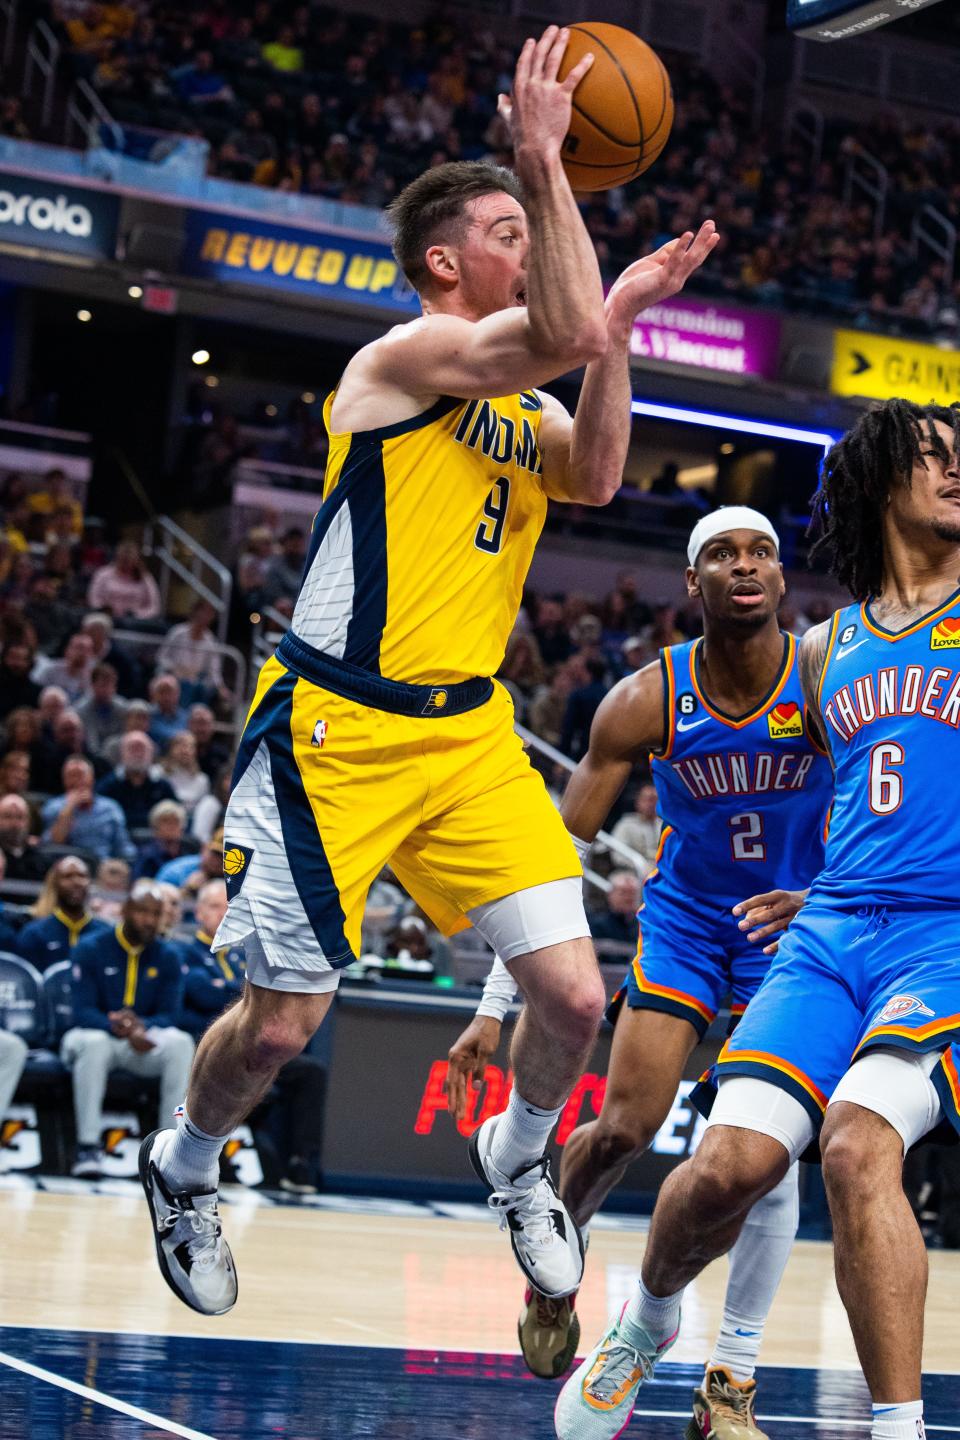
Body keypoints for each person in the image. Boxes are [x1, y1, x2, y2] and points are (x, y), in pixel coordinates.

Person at [138, 25, 719, 1321]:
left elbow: (600, 473)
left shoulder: (528, 394)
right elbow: (555, 326)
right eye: (509, 225)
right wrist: (548, 164)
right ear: (445, 261)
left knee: (574, 993)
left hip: (466, 736)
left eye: (532, 219)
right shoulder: (397, 364)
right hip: (335, 731)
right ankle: (182, 1163)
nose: (530, 233)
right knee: (281, 1028)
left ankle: (518, 1157)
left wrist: (616, 331)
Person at [554, 402, 960, 1440]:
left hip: (940, 937)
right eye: (937, 457)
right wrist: (808, 878)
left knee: (858, 1148)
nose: (959, 470)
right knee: (730, 1166)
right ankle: (646, 1325)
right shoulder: (833, 650)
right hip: (827, 933)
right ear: (879, 485)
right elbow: (852, 793)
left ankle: (895, 1428)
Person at [452, 509, 832, 1438]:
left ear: (783, 582)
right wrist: (494, 1007)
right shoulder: (644, 700)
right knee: (623, 1129)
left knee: (765, 1165)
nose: (744, 568)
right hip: (690, 926)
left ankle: (729, 1379)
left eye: (761, 555)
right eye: (720, 556)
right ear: (690, 585)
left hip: (793, 930)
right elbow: (541, 862)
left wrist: (827, 896)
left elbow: (896, 804)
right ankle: (555, 1271)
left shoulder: (829, 676)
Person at [177, 879, 326, 1194]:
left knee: (310, 1070)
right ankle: (205, 1155)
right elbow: (201, 997)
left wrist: (232, 995)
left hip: (258, 1040)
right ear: (199, 913)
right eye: (216, 906)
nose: (224, 913)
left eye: (228, 906)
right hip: (207, 1046)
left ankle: (300, 1163)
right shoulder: (184, 952)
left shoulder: (244, 953)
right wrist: (243, 998)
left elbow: (242, 1000)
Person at [61, 880, 194, 1178]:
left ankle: (168, 1151)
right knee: (93, 1043)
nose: (148, 920)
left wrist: (143, 1027)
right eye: (142, 912)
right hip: (94, 1038)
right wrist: (116, 1025)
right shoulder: (91, 947)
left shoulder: (169, 956)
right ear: (125, 910)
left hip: (139, 1044)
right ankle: (88, 1146)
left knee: (181, 1043)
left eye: (155, 914)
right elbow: (80, 1012)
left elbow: (171, 1014)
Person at [15, 855, 108, 971]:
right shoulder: (34, 933)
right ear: (55, 884)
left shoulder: (105, 933)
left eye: (82, 876)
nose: (76, 882)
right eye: (68, 876)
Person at [42, 757, 135, 863]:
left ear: (92, 778)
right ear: (64, 780)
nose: (77, 780)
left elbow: (123, 847)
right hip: (67, 866)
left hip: (103, 866)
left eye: (81, 775)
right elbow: (52, 845)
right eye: (72, 775)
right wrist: (69, 808)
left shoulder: (110, 808)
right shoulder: (53, 807)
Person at [97, 731, 177, 832]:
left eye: (142, 749)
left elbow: (176, 814)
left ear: (151, 754)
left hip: (156, 839)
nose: (138, 754)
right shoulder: (108, 785)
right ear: (122, 753)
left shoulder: (163, 786)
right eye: (132, 749)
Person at [87, 541, 161, 621]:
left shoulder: (145, 577)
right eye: (123, 560)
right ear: (117, 557)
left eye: (129, 560)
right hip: (106, 618)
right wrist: (103, 609)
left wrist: (138, 614)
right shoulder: (103, 573)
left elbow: (154, 606)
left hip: (135, 621)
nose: (126, 563)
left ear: (136, 560)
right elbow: (93, 597)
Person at [606, 782, 661, 872]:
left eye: (654, 800)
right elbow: (617, 855)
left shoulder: (667, 825)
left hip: (662, 871)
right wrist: (641, 866)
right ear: (638, 802)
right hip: (632, 872)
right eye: (646, 799)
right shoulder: (626, 823)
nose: (650, 804)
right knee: (622, 883)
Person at [76, 663, 129, 755]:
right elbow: (91, 743)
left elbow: (123, 737)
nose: (108, 689)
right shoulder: (81, 709)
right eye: (103, 685)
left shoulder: (123, 707)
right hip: (92, 755)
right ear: (92, 685)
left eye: (111, 685)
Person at [0, 794, 50, 882]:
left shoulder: (40, 858)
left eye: (20, 817)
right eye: (7, 816)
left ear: (29, 822)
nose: (14, 824)